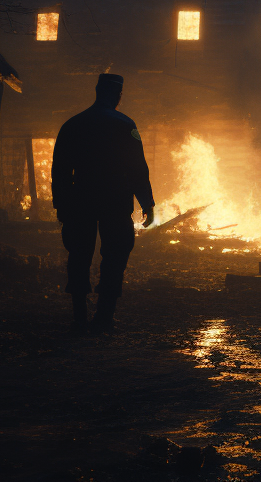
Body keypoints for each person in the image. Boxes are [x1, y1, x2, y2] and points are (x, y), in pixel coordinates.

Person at [51, 73, 155, 333]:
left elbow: (60, 171)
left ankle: (79, 316)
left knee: (79, 255)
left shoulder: (72, 125)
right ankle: (104, 317)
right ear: (118, 96)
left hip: (80, 200)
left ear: (97, 91)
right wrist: (147, 202)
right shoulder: (125, 125)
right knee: (115, 256)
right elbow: (137, 168)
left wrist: (61, 205)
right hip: (115, 200)